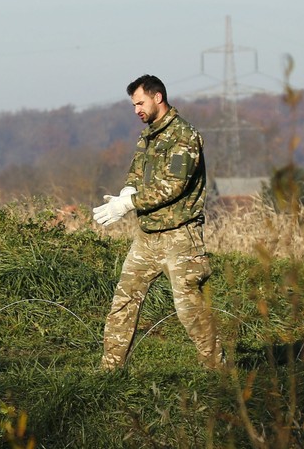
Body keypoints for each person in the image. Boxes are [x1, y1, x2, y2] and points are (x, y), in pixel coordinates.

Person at [92, 74, 223, 370]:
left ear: (157, 97)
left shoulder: (183, 136)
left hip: (180, 237)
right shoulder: (148, 136)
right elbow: (137, 173)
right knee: (123, 302)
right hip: (148, 236)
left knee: (189, 308)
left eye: (140, 102)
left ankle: (217, 369)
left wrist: (128, 204)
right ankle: (109, 370)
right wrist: (126, 192)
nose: (136, 109)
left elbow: (173, 186)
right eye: (134, 105)